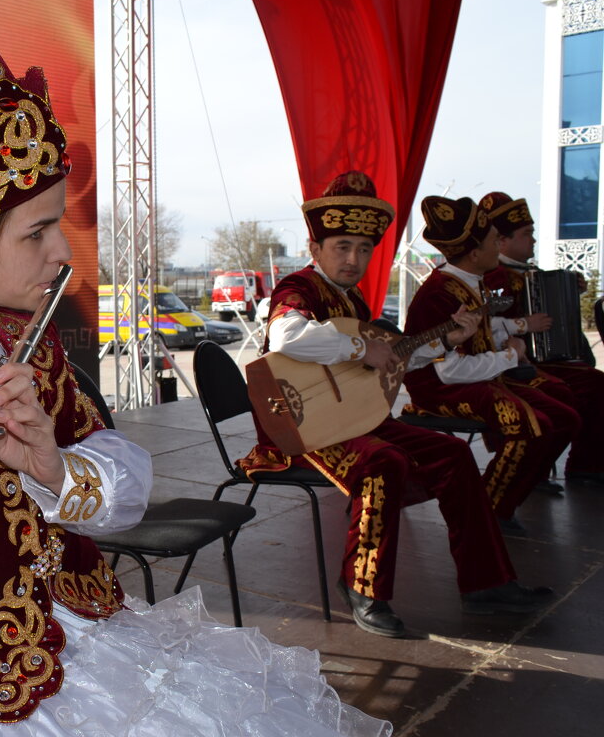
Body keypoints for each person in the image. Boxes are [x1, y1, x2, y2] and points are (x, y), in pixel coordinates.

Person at [0, 12, 393, 737]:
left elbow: (126, 491)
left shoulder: (29, 345)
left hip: (89, 647)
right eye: (37, 232)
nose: (63, 253)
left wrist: (56, 471)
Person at [240, 172, 549, 640]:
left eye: (363, 249)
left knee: (454, 454)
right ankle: (363, 587)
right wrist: (361, 350)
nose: (353, 259)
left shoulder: (353, 300)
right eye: (342, 247)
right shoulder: (297, 287)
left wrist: (445, 339)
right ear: (315, 246)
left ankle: (487, 583)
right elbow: (287, 335)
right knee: (382, 463)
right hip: (301, 429)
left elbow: (390, 357)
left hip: (355, 417)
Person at [402, 196, 580, 533]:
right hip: (439, 389)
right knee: (529, 424)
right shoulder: (440, 292)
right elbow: (449, 370)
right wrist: (510, 355)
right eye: (493, 242)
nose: (497, 247)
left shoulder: (468, 281)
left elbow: (482, 333)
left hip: (477, 378)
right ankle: (489, 510)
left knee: (564, 417)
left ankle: (513, 493)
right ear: (474, 253)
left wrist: (515, 331)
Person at [480, 191, 604, 487]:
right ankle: (552, 466)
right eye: (527, 234)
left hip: (538, 360)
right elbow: (484, 327)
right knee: (588, 386)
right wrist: (524, 325)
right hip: (510, 364)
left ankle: (576, 464)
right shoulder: (494, 277)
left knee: (592, 382)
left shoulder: (530, 273)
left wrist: (570, 290)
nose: (533, 240)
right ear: (502, 241)